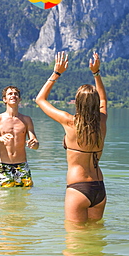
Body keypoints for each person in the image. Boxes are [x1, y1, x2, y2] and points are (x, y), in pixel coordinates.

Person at [35, 52, 107, 223]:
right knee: (96, 240)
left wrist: (56, 73)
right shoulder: (102, 121)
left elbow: (40, 99)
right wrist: (96, 73)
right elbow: (104, 99)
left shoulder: (69, 122)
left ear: (76, 102)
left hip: (78, 188)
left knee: (74, 243)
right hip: (99, 188)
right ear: (96, 103)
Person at [0, 86, 39, 187]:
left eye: (16, 94)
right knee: (2, 199)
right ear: (4, 99)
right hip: (3, 166)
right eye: (10, 94)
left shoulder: (26, 120)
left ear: (19, 99)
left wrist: (34, 143)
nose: (13, 95)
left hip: (22, 166)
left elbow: (35, 144)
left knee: (24, 199)